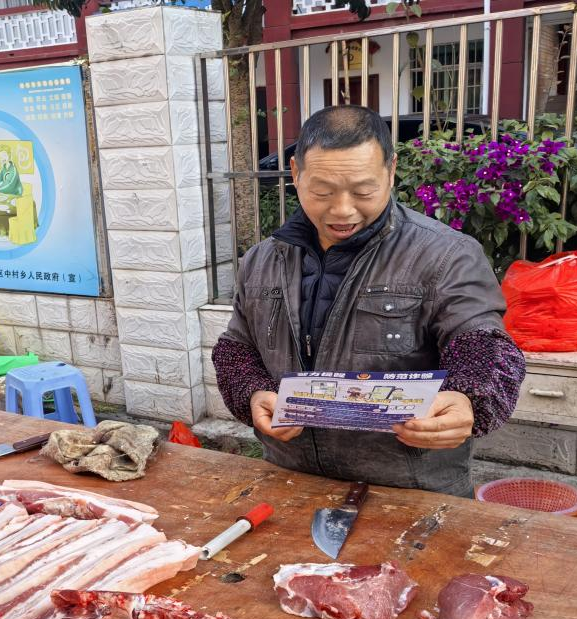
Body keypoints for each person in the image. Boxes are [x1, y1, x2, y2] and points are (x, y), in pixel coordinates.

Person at [213, 106, 527, 497]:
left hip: (410, 491)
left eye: (363, 191)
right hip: (290, 480)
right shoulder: (262, 260)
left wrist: (469, 399)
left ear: (391, 171)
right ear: (295, 173)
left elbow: (484, 345)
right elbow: (237, 348)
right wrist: (253, 392)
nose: (342, 210)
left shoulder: (447, 255)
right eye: (322, 192)